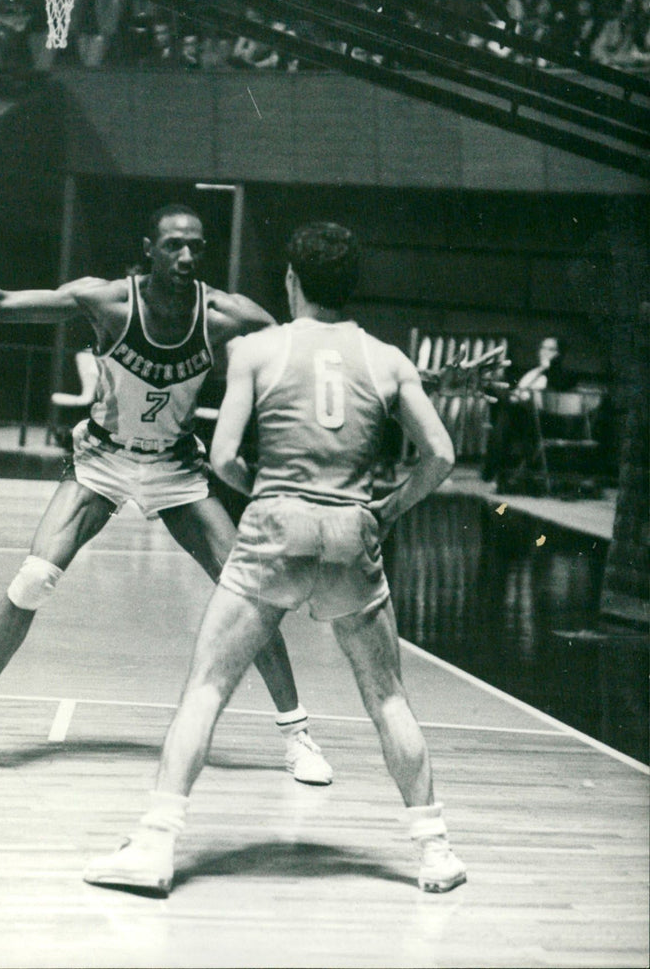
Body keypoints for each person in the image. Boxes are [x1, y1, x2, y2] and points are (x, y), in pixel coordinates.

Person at [0, 191, 333, 788]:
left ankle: (298, 737)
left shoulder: (228, 315)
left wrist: (411, 380)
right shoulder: (109, 301)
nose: (188, 255)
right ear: (149, 251)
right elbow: (1, 306)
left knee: (249, 593)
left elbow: (313, 354)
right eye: (174, 245)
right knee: (35, 578)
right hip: (102, 461)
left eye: (198, 246)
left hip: (176, 469)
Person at [83, 223, 466, 896]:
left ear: (291, 280)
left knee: (206, 688)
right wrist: (388, 509)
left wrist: (270, 496)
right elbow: (442, 456)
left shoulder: (258, 349)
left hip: (275, 524)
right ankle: (435, 850)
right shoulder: (388, 358)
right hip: (353, 530)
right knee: (387, 697)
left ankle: (154, 845)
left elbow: (225, 454)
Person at [482, 335, 577, 488]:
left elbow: (557, 390)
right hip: (522, 417)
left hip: (544, 421)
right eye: (543, 347)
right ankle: (496, 473)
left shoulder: (562, 375)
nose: (544, 352)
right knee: (503, 413)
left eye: (550, 349)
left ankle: (492, 473)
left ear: (558, 354)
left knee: (504, 417)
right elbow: (520, 388)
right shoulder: (532, 371)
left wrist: (548, 369)